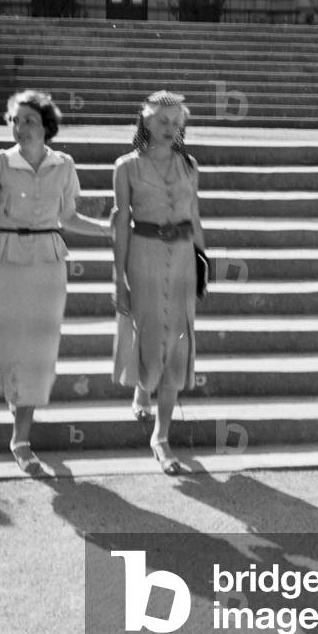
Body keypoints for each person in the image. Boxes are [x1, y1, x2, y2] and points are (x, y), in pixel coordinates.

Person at [0, 90, 112, 476]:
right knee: (3, 345)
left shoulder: (64, 164)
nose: (20, 126)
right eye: (15, 120)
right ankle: (17, 397)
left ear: (46, 125)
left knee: (37, 352)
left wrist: (107, 231)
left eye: (28, 119)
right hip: (5, 258)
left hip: (47, 261)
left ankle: (21, 438)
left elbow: (69, 218)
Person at [111, 90, 206, 475]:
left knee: (178, 344)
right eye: (162, 121)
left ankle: (161, 436)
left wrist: (204, 262)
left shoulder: (190, 165)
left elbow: (196, 216)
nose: (169, 129)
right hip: (144, 256)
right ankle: (141, 386)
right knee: (150, 335)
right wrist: (118, 278)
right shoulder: (126, 167)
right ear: (146, 122)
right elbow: (120, 223)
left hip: (183, 258)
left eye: (175, 122)